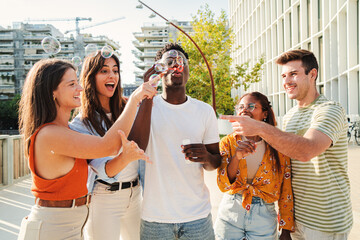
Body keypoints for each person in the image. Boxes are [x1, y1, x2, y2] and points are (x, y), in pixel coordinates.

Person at [221, 49, 353, 240]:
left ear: (312, 74)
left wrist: (258, 127)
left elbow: (306, 151)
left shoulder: (330, 110)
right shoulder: (290, 116)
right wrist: (286, 224)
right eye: (284, 75)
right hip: (298, 219)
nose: (286, 81)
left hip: (325, 221)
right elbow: (285, 172)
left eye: (293, 74)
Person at [17, 58, 155, 240]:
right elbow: (109, 146)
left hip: (71, 224)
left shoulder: (63, 131)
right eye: (72, 84)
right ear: (53, 92)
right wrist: (135, 98)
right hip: (52, 227)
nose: (80, 89)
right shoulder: (50, 134)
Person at [131, 42, 221, 240]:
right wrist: (147, 92)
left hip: (197, 217)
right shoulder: (144, 106)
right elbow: (136, 147)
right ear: (159, 70)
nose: (176, 66)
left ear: (188, 70)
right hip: (155, 218)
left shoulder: (204, 111)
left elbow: (216, 162)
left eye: (181, 62)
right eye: (169, 62)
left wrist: (206, 156)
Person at [69, 52, 144, 240]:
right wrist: (125, 157)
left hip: (136, 194)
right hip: (105, 198)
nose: (112, 76)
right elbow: (106, 170)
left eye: (115, 70)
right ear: (90, 77)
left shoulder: (130, 109)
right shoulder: (81, 124)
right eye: (104, 71)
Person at [215, 92, 294, 240]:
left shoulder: (279, 146)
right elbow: (223, 185)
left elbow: (286, 189)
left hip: (264, 216)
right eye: (241, 106)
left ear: (264, 114)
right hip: (230, 212)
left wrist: (286, 228)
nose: (244, 110)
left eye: (251, 106)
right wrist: (236, 157)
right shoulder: (228, 143)